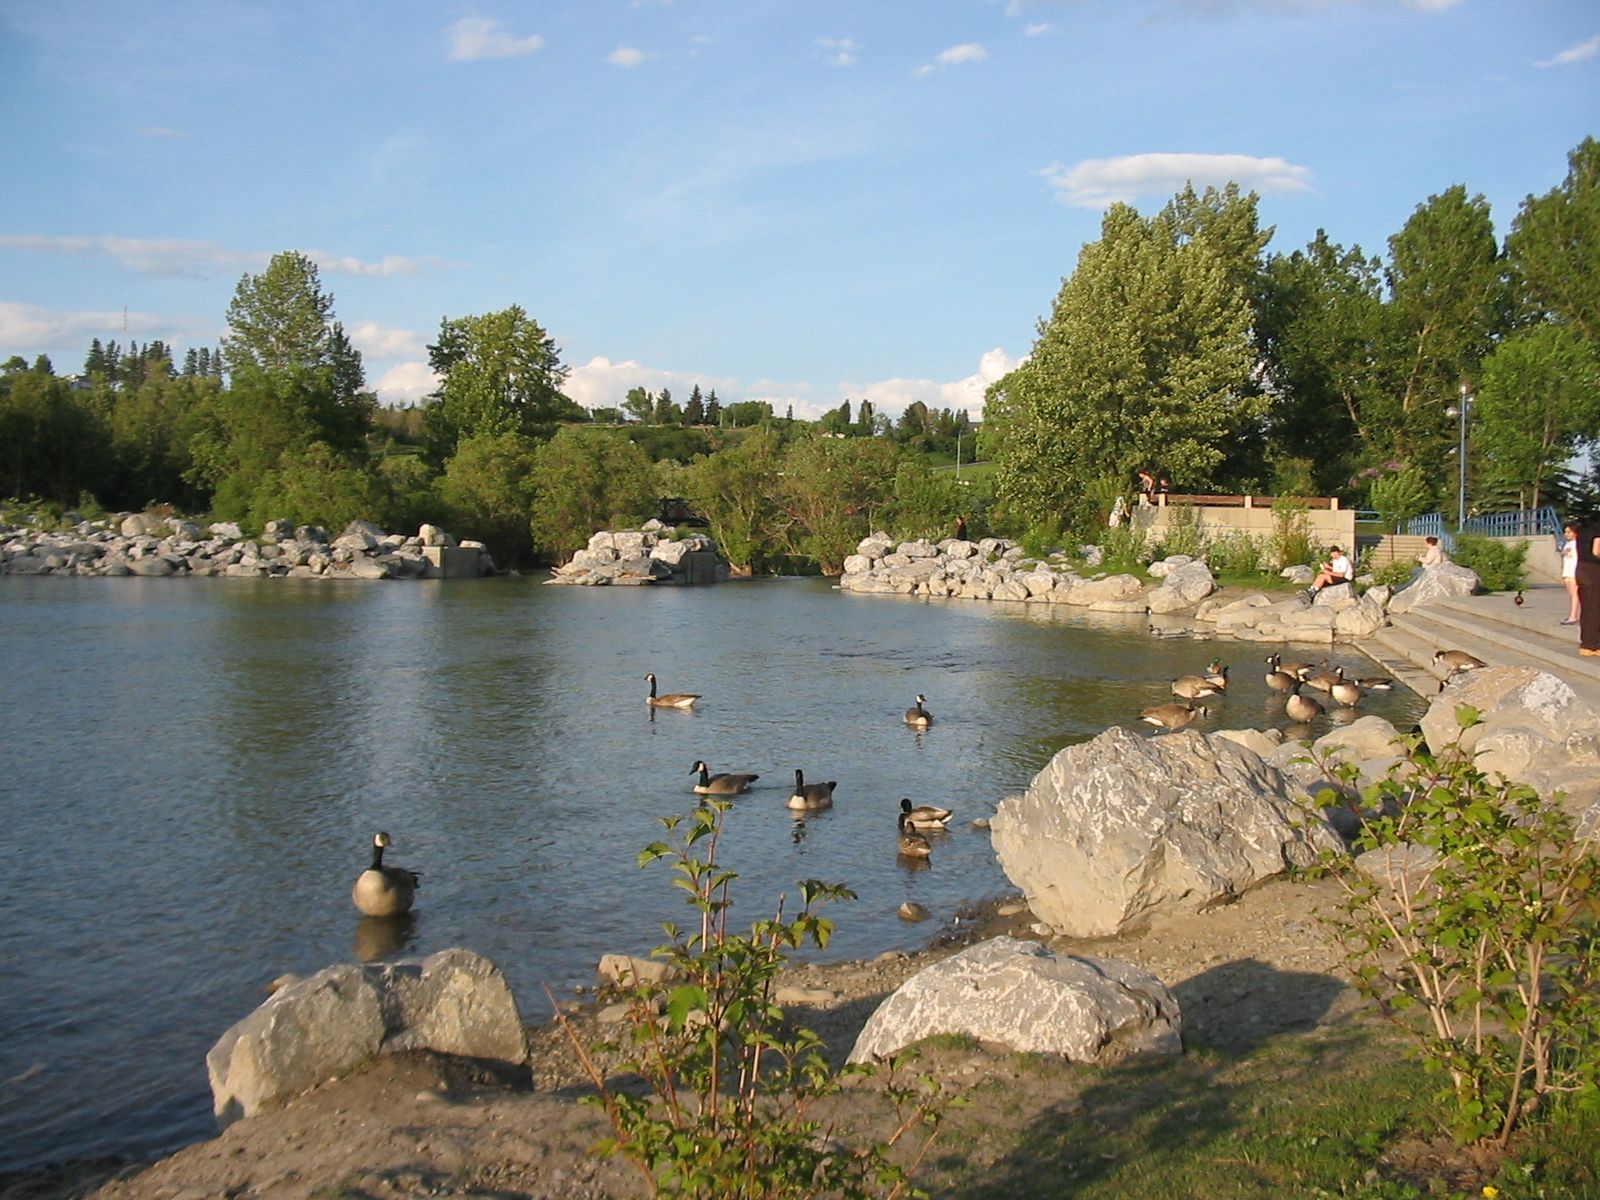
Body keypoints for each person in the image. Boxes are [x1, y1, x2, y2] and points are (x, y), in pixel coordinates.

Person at [1577, 515, 1600, 657]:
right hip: (1593, 570)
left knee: (1587, 607)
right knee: (1595, 607)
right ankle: (1590, 645)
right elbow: (1597, 551)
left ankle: (1587, 642)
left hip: (1581, 568)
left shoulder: (1582, 530)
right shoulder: (1597, 530)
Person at [1560, 522, 1579, 626]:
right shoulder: (1567, 544)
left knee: (1575, 594)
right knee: (1572, 595)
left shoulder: (1577, 544)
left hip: (1573, 573)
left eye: (1569, 532)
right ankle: (1572, 614)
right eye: (1565, 532)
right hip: (1567, 572)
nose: (1566, 534)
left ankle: (1573, 616)